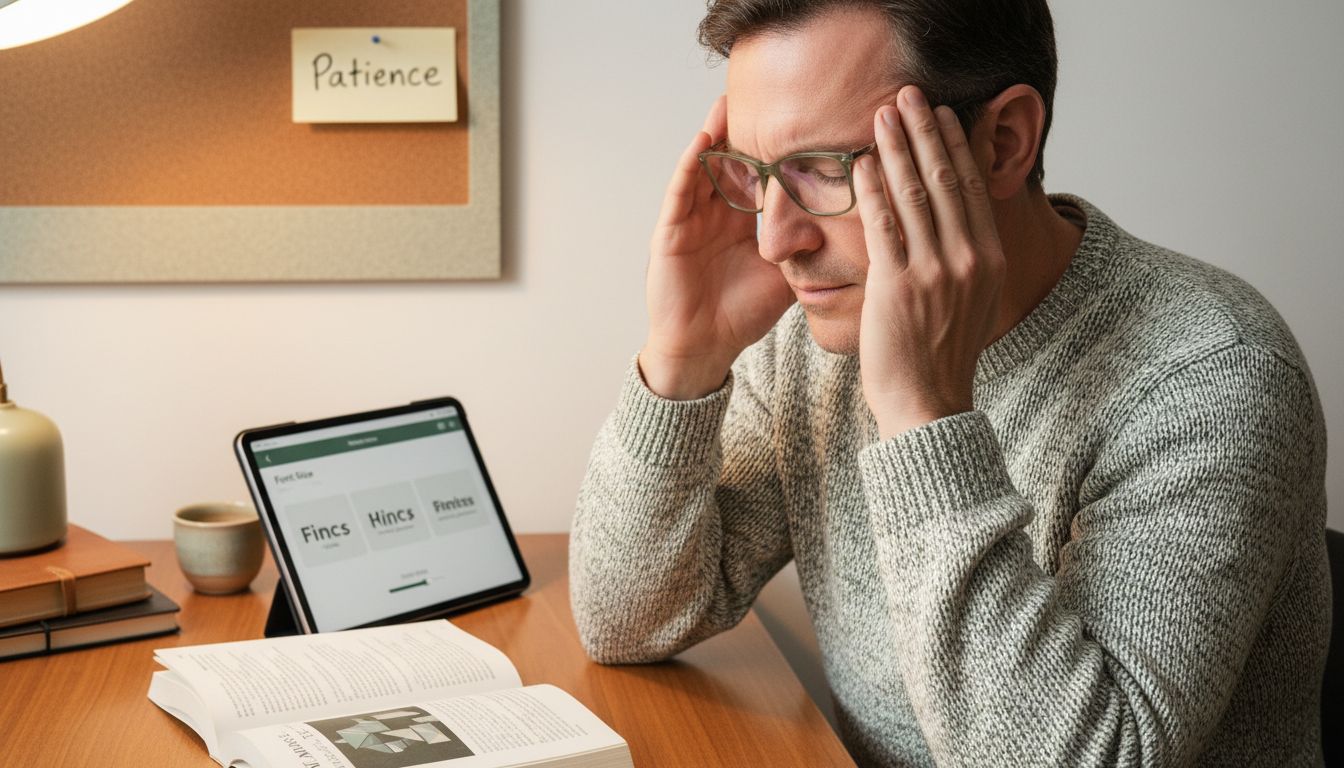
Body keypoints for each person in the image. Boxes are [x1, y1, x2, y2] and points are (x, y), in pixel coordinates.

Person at [569, 1, 1330, 765]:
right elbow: (629, 622)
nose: (775, 239)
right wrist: (683, 359)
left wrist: (921, 414)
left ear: (1003, 143)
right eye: (756, 172)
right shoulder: (816, 336)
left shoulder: (1211, 373)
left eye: (824, 169)